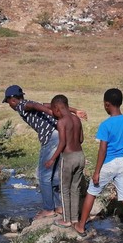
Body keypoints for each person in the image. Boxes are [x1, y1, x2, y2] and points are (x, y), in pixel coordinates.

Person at [74, 88, 123, 239]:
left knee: (92, 192)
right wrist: (122, 154)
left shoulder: (105, 125)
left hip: (108, 164)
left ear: (107, 105)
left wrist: (96, 172)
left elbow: (102, 150)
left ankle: (81, 226)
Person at [3, 85, 86, 219]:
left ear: (12, 100)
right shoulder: (27, 103)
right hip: (59, 134)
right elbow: (49, 105)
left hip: (51, 136)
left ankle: (48, 209)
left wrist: (52, 113)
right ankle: (59, 206)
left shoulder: (20, 105)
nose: (9, 105)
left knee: (44, 175)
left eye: (8, 102)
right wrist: (74, 110)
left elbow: (36, 106)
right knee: (55, 174)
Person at [44, 95, 85, 228]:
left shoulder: (61, 122)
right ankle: (74, 219)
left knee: (64, 189)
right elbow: (81, 139)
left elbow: (62, 143)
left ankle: (66, 220)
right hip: (80, 156)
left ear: (56, 109)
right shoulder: (77, 119)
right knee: (75, 189)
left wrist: (52, 159)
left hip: (68, 158)